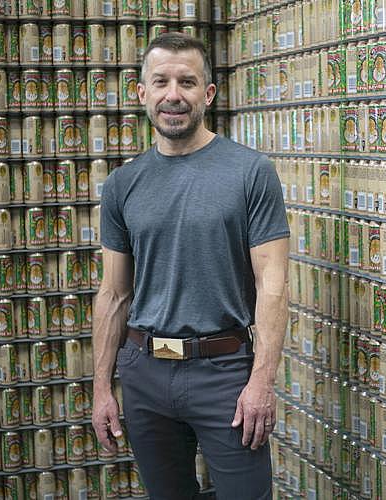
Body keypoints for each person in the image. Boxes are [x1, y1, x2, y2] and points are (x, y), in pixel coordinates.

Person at [91, 32, 289, 500]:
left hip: (224, 373)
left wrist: (262, 380)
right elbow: (114, 294)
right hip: (144, 373)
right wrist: (102, 387)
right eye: (160, 82)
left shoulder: (250, 172)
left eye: (187, 82)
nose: (173, 95)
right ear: (142, 94)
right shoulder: (123, 185)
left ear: (208, 94)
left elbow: (274, 285)